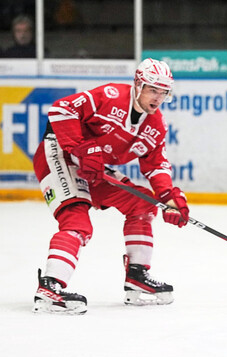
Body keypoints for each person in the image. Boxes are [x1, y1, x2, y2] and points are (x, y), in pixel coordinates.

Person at [32, 58, 189, 315]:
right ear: (138, 84)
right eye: (152, 90)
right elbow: (62, 109)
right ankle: (50, 287)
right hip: (59, 153)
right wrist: (81, 148)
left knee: (143, 203)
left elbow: (156, 165)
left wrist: (169, 197)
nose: (158, 98)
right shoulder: (111, 95)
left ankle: (137, 276)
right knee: (77, 221)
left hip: (92, 166)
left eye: (163, 92)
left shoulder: (156, 126)